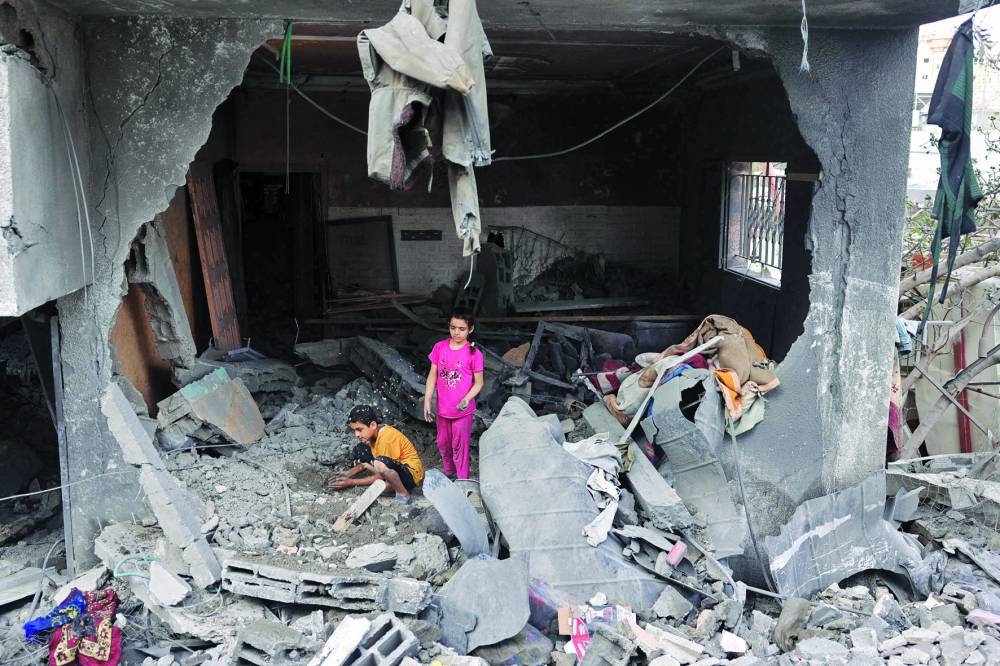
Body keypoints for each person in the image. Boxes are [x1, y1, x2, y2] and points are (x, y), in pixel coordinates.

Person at [423, 309, 484, 480]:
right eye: (453, 327)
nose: (456, 332)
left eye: (462, 329)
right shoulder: (440, 347)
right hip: (443, 409)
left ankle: (463, 479)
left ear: (470, 329)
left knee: (460, 446)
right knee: (443, 443)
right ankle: (449, 473)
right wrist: (427, 400)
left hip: (462, 411)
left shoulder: (474, 353)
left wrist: (467, 398)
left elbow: (479, 383)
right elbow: (432, 376)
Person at [327, 405, 425, 504]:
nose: (356, 434)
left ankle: (403, 493)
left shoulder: (386, 439)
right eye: (354, 431)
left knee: (380, 476)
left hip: (411, 475)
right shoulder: (376, 432)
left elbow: (381, 473)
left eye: (359, 429)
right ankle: (390, 485)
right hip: (395, 467)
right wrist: (349, 473)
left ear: (373, 425)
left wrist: (351, 482)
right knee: (361, 450)